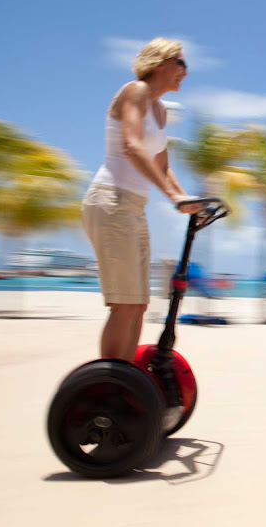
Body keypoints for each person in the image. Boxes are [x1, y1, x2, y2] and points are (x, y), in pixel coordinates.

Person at [82, 37, 202, 363]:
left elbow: (164, 167)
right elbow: (132, 146)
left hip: (134, 207)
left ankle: (125, 379)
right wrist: (174, 197)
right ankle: (109, 383)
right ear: (161, 62)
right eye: (181, 63)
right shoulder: (134, 91)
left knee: (138, 304)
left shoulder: (160, 111)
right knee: (124, 304)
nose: (185, 73)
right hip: (111, 201)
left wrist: (189, 201)